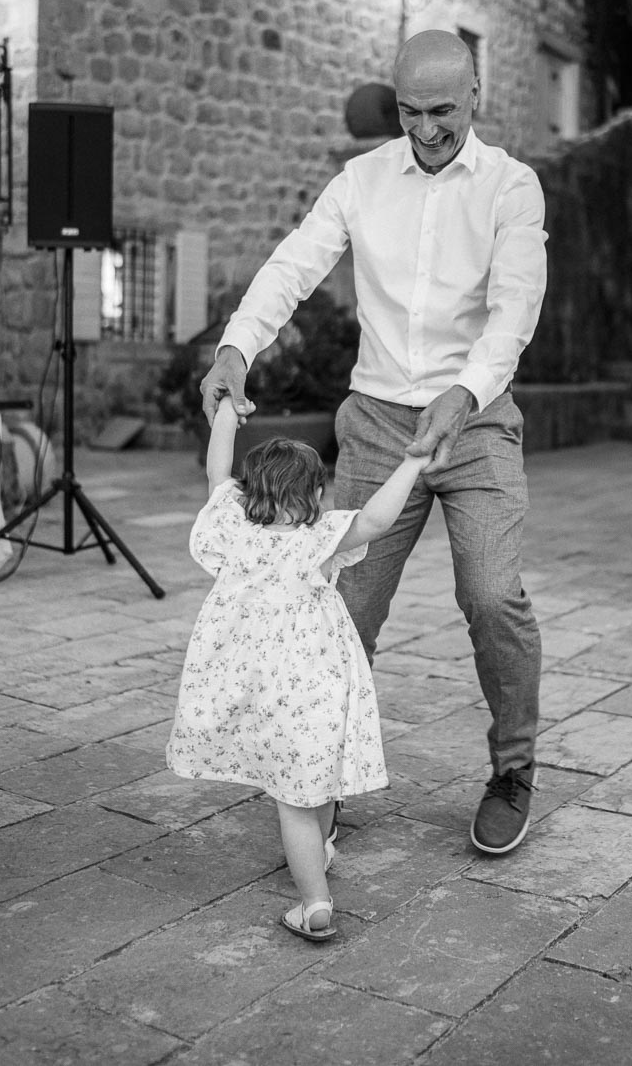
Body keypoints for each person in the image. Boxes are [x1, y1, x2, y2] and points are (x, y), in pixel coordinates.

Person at [201, 29, 547, 855]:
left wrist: (464, 393)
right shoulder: (360, 181)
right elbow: (292, 266)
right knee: (339, 608)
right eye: (409, 111)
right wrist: (236, 346)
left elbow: (516, 307)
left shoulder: (511, 187)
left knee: (491, 595)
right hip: (379, 423)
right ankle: (318, 770)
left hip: (476, 418)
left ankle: (513, 768)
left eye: (442, 111)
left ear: (476, 96)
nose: (425, 130)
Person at [167, 395, 432, 941]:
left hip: (254, 692)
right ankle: (314, 901)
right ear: (314, 495)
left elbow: (217, 470)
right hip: (315, 689)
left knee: (295, 791)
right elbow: (377, 519)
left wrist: (226, 414)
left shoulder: (233, 528)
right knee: (305, 788)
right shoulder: (318, 539)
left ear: (249, 492)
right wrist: (413, 462)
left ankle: (317, 871)